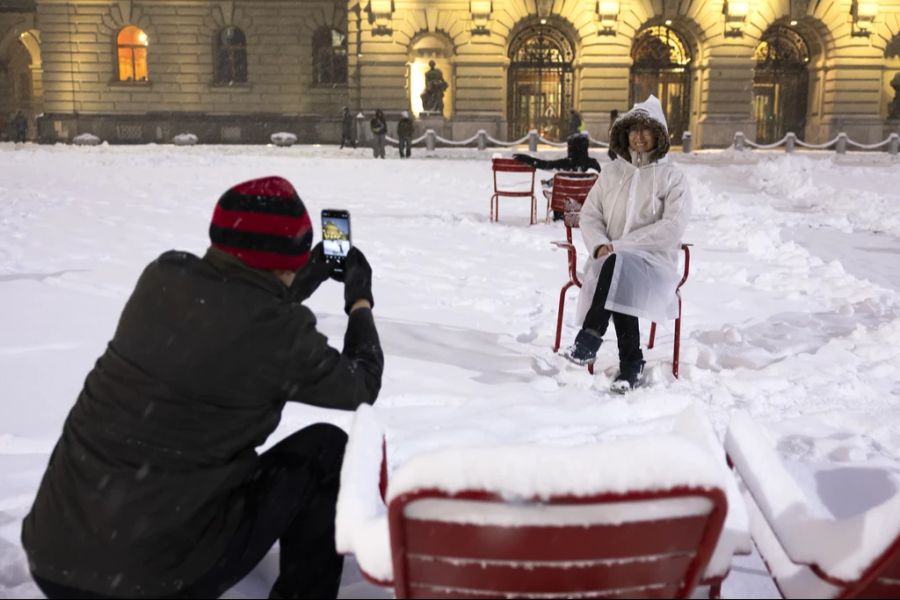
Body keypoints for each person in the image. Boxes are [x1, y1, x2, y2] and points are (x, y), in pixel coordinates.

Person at [21, 175, 384, 599]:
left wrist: (299, 278)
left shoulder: (162, 278)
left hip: (55, 557)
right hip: (155, 580)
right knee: (326, 451)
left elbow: (233, 312)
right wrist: (359, 300)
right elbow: (360, 385)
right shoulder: (278, 335)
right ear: (287, 263)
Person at [563, 95, 691, 393]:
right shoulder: (611, 173)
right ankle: (631, 363)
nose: (639, 136)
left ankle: (590, 340)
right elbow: (590, 214)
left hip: (654, 263)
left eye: (646, 130)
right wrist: (599, 245)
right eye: (633, 130)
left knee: (622, 268)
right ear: (624, 134)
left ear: (659, 134)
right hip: (608, 261)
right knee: (619, 271)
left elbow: (672, 227)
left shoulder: (672, 178)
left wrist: (622, 246)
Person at [513, 132, 602, 220]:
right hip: (586, 212)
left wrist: (526, 159)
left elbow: (544, 164)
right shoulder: (594, 164)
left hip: (562, 212)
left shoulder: (564, 163)